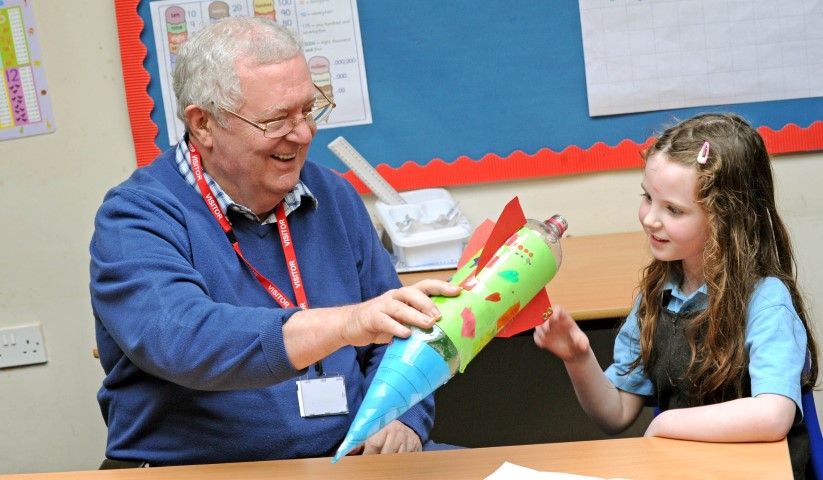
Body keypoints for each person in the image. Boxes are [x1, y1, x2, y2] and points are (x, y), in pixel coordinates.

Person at [89, 16, 460, 468]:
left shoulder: (334, 195)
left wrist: (403, 416)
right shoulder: (135, 216)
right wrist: (344, 324)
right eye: (277, 119)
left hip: (349, 460)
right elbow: (185, 341)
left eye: (308, 109)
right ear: (203, 124)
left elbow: (396, 334)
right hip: (202, 469)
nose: (303, 133)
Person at [533, 113, 818, 479]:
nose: (651, 218)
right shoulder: (658, 297)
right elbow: (616, 414)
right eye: (647, 197)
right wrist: (578, 358)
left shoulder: (765, 302)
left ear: (725, 220)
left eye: (673, 210)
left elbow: (773, 415)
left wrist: (668, 422)